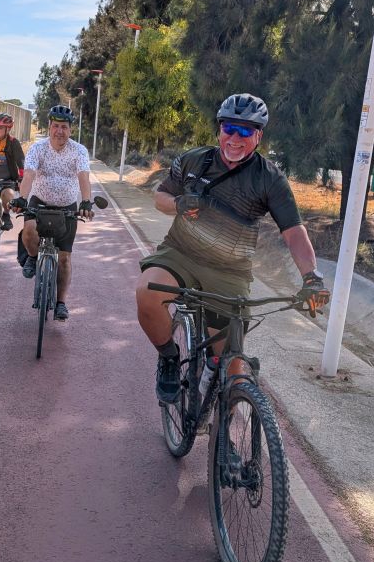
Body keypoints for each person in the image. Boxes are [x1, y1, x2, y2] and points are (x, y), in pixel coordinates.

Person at [134, 93, 331, 403]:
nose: (235, 138)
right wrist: (179, 204)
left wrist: (312, 277)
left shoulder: (270, 179)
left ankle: (227, 443)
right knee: (147, 292)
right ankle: (170, 358)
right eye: (230, 128)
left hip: (230, 269)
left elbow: (293, 233)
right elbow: (160, 197)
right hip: (181, 253)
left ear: (259, 136)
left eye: (246, 131)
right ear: (219, 129)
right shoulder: (194, 160)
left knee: (233, 369)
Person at [9, 105, 94, 322]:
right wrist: (22, 198)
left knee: (64, 259)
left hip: (67, 206)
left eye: (64, 127)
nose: (59, 131)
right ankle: (32, 256)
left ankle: (61, 303)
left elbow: (84, 176)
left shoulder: (79, 151)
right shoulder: (38, 149)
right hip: (39, 202)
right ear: (49, 127)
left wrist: (85, 201)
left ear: (70, 130)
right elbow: (28, 174)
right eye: (55, 126)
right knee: (28, 232)